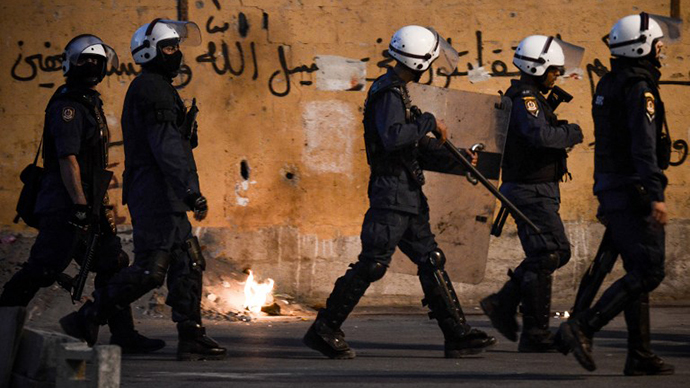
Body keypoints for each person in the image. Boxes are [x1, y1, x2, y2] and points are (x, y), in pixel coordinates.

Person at [303, 25, 496, 359]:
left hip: (407, 193)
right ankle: (324, 328)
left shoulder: (399, 91)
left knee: (430, 259)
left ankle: (457, 334)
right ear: (420, 62)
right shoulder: (389, 93)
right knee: (374, 263)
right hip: (391, 193)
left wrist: (459, 157)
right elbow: (394, 138)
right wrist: (430, 120)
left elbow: (414, 146)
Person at [60, 19, 226, 361]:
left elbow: (174, 143)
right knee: (152, 269)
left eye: (176, 47)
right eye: (169, 47)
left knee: (189, 263)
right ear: (150, 52)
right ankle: (87, 317)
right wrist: (191, 191)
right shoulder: (152, 88)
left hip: (167, 194)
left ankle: (191, 335)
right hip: (155, 194)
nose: (176, 54)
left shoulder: (157, 87)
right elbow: (166, 146)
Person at [0, 35, 164, 354]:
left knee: (113, 262)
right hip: (66, 205)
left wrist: (91, 206)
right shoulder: (69, 107)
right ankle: (3, 322)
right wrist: (78, 204)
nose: (92, 66)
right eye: (85, 61)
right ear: (70, 64)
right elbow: (67, 159)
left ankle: (123, 334)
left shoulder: (89, 101)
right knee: (43, 268)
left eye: (98, 62)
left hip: (88, 204)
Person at [557, 12, 676, 375]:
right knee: (648, 271)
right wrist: (656, 194)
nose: (660, 53)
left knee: (634, 269)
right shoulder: (640, 88)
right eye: (657, 47)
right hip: (634, 189)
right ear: (643, 48)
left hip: (613, 187)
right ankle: (583, 326)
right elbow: (642, 146)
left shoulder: (610, 84)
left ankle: (639, 354)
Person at [480, 35, 584, 352]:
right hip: (529, 188)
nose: (557, 76)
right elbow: (537, 134)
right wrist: (571, 132)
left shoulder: (533, 98)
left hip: (534, 186)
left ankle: (520, 319)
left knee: (546, 253)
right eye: (553, 70)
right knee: (552, 252)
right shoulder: (526, 97)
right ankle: (518, 317)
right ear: (536, 68)